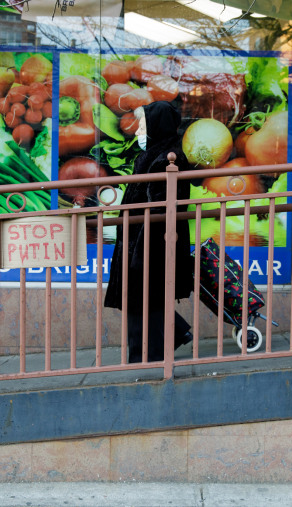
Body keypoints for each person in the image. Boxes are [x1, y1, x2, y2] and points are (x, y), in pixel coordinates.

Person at [104, 101, 194, 363]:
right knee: (145, 298)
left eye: (143, 123)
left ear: (157, 125)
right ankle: (166, 340)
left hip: (150, 243)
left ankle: (143, 357)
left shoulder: (167, 158)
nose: (139, 129)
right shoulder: (152, 154)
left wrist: (139, 249)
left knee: (140, 297)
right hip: (139, 240)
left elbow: (161, 209)